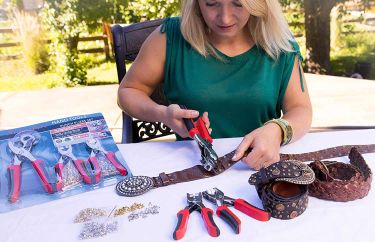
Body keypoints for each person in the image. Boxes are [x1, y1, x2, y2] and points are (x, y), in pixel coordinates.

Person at [117, 0, 312, 170]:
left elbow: (300, 109)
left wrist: (277, 130)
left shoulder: (279, 44)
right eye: (211, 3)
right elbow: (128, 91)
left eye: (238, 3)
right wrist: (162, 114)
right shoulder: (170, 37)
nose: (225, 18)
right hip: (193, 168)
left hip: (259, 166)